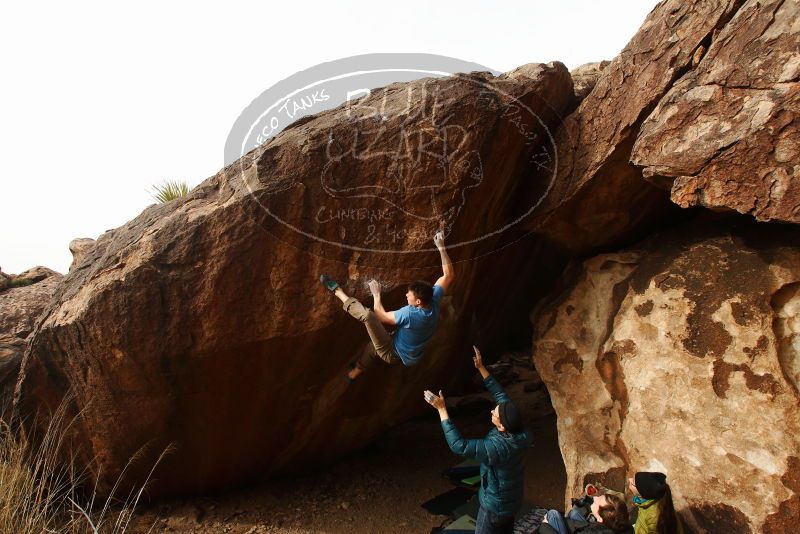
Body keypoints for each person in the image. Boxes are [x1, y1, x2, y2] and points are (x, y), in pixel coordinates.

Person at [320, 231, 454, 381]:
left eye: (409, 295)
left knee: (368, 316)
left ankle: (336, 291)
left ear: (418, 302)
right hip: (410, 352)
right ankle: (355, 371)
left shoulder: (411, 314)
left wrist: (377, 295)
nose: (406, 295)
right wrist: (441, 247)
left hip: (393, 352)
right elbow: (448, 275)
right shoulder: (433, 298)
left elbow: (381, 317)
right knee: (372, 348)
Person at [424, 346, 531, 534]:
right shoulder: (519, 431)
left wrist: (442, 409)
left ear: (502, 426)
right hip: (512, 500)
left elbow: (460, 446)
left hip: (494, 506)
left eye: (495, 414)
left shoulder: (498, 448)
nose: (492, 411)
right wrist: (481, 367)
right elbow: (501, 395)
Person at [538, 489, 631, 533]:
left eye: (596, 501)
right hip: (587, 527)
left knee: (552, 515)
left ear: (599, 518)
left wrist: (545, 526)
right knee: (575, 512)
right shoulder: (616, 523)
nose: (596, 497)